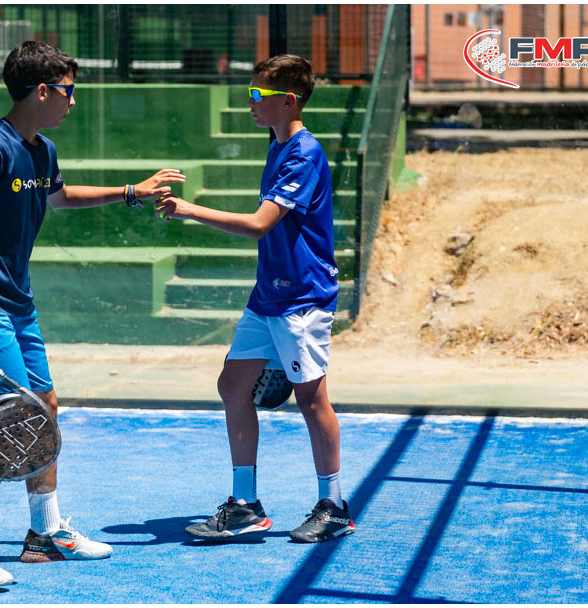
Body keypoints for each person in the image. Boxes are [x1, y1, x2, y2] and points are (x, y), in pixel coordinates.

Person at [0, 40, 185, 587]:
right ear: (41, 91)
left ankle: (45, 533)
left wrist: (132, 191)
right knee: (10, 419)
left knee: (43, 406)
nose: (73, 101)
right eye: (68, 91)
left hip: (17, 302)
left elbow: (60, 197)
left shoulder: (41, 150)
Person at [154, 54, 355, 544]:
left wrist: (189, 210)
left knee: (311, 400)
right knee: (232, 386)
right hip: (268, 296)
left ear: (289, 100)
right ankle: (245, 505)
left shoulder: (304, 154)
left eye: (258, 95)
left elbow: (260, 224)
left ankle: (333, 507)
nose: (250, 102)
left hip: (302, 298)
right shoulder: (278, 146)